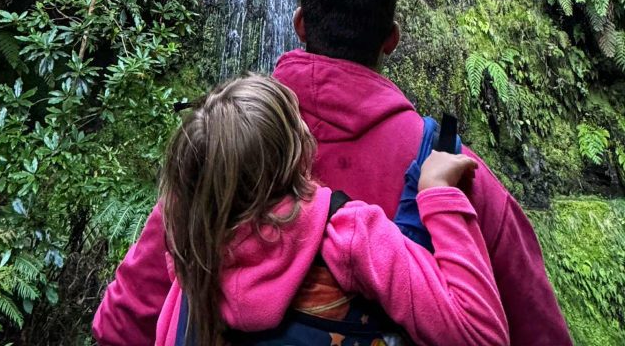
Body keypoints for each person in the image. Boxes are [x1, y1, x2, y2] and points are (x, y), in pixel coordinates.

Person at [93, 0, 572, 346]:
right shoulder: (452, 170)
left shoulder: (217, 159)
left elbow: (121, 322)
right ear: (391, 40)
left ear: (300, 24)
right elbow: (536, 327)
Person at [143, 74, 509, 346]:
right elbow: (482, 335)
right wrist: (439, 195)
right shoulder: (348, 235)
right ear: (301, 154)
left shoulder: (189, 264)